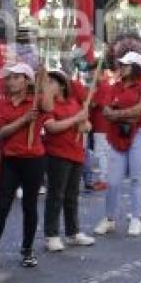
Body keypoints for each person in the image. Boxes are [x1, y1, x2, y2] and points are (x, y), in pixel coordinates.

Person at [0, 62, 53, 271]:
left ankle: (27, 250)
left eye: (16, 77)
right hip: (10, 160)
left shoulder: (36, 100)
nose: (11, 81)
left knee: (30, 206)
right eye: (9, 77)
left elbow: (50, 107)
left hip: (34, 159)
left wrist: (42, 81)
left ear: (26, 81)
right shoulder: (3, 103)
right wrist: (24, 120)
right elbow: (0, 133)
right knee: (2, 207)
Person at [94, 52, 141, 237]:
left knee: (137, 178)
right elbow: (105, 107)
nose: (122, 67)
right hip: (117, 133)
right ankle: (109, 218)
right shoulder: (116, 85)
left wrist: (118, 114)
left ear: (136, 67)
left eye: (126, 65)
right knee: (112, 181)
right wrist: (117, 114)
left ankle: (136, 218)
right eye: (121, 64)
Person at [42, 69, 95, 251]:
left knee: (72, 196)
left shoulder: (74, 102)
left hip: (76, 153)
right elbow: (51, 128)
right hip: (57, 154)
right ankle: (51, 235)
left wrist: (85, 125)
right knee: (55, 195)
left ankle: (73, 232)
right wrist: (75, 120)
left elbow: (87, 125)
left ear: (62, 85)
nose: (48, 86)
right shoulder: (48, 105)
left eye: (51, 83)